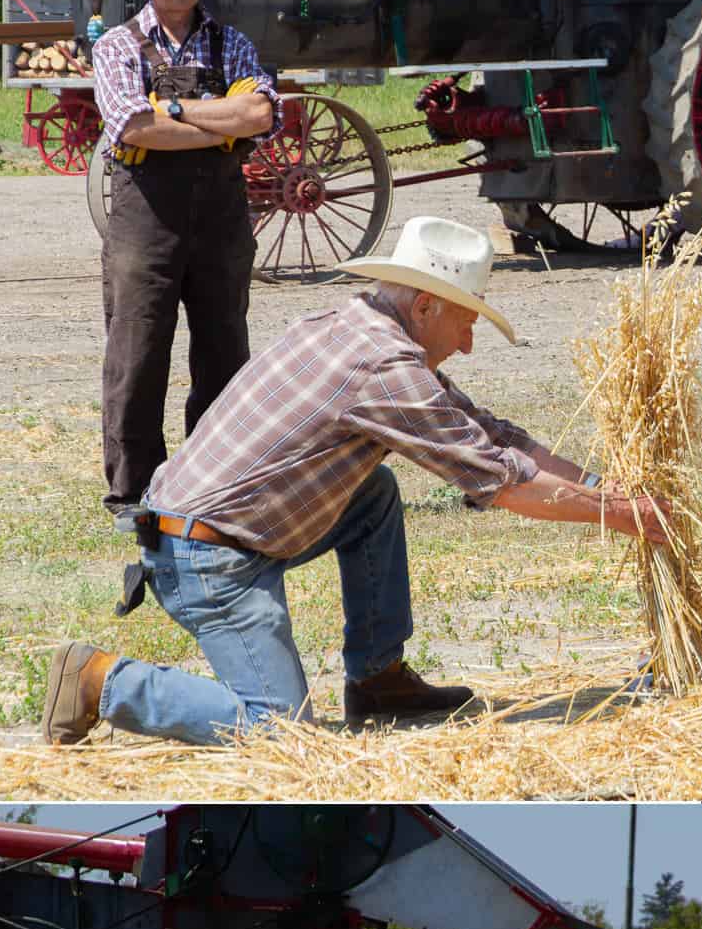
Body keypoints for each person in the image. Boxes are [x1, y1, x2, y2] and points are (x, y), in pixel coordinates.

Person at [41, 215, 669, 748]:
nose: (469, 343)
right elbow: (501, 483)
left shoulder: (357, 326)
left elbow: (491, 434)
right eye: (466, 321)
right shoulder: (384, 369)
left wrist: (604, 485)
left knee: (371, 494)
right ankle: (100, 680)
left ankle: (377, 680)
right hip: (205, 557)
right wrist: (621, 513)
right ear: (425, 306)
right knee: (280, 731)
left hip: (213, 527)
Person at [90, 0, 278, 526]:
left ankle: (213, 481)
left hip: (222, 220)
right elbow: (132, 129)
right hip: (145, 221)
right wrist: (218, 119)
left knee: (225, 351)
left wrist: (169, 107)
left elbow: (260, 114)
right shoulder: (116, 46)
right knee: (138, 353)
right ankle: (132, 494)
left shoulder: (233, 42)